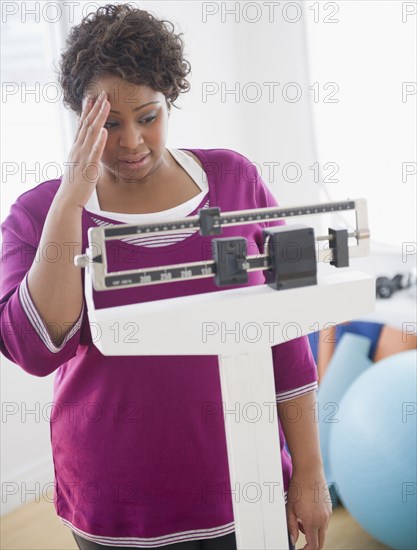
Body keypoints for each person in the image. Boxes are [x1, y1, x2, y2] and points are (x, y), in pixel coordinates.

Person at [0, 4, 331, 549]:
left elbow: (286, 333)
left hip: (246, 484)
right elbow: (37, 351)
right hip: (114, 500)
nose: (130, 141)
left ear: (170, 102)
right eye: (107, 124)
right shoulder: (38, 213)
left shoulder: (235, 178)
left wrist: (311, 472)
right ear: (77, 115)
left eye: (147, 117)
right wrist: (70, 203)